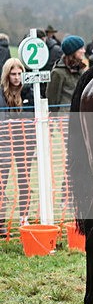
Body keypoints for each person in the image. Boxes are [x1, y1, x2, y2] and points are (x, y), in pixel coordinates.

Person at [0, 58, 35, 230]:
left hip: (25, 141)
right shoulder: (1, 93)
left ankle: (24, 217)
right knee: (2, 180)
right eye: (13, 74)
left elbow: (32, 116)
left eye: (19, 74)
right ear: (7, 75)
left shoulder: (29, 91)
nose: (16, 77)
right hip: (4, 140)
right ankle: (1, 221)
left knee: (24, 179)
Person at [47, 35, 86, 110]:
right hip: (64, 117)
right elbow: (52, 100)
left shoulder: (81, 70)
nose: (84, 51)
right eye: (81, 48)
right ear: (73, 51)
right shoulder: (58, 72)